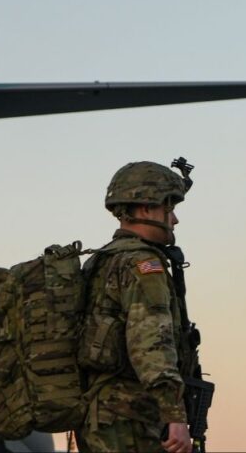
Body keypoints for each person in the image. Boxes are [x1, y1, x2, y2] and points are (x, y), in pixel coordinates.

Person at [77, 161, 195, 453]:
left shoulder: (100, 261)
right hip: (130, 419)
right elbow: (151, 343)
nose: (175, 219)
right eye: (169, 208)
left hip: (99, 416)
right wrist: (175, 415)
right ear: (145, 208)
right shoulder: (143, 265)